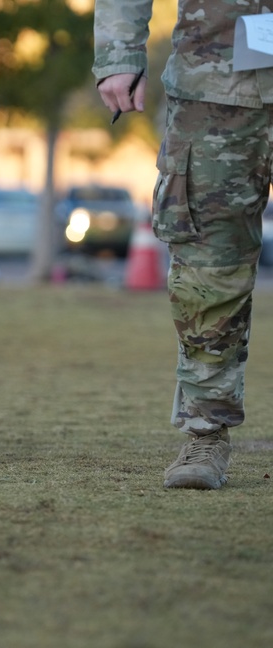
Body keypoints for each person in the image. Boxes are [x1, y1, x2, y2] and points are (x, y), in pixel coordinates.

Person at [94, 2, 268, 489]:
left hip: (221, 79)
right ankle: (206, 432)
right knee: (208, 269)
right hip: (217, 87)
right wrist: (118, 52)